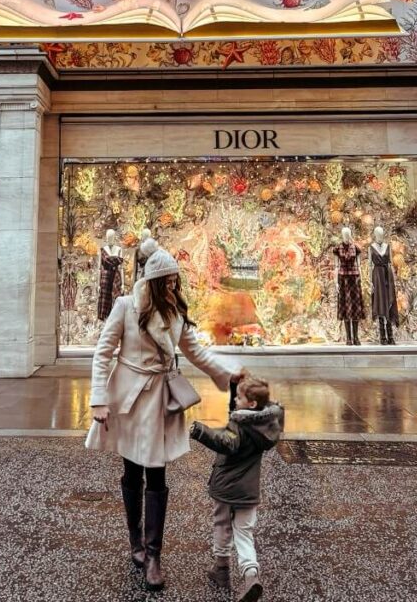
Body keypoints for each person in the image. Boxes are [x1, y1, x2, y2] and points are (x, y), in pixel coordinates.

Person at [86, 239, 243, 591]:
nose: (173, 287)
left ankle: (153, 556)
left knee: (156, 473)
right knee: (132, 470)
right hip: (130, 398)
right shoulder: (126, 306)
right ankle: (136, 543)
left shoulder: (174, 313)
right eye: (168, 282)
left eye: (176, 281)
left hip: (160, 400)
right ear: (154, 282)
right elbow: (103, 352)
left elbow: (197, 352)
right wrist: (98, 399)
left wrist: (228, 374)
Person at [190, 376, 284, 602]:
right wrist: (236, 385)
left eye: (239, 397)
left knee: (222, 525)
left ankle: (221, 568)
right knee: (244, 532)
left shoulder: (239, 425)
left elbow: (227, 443)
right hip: (249, 491)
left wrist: (200, 431)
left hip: (226, 488)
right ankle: (251, 574)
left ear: (251, 404)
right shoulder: (266, 426)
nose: (235, 401)